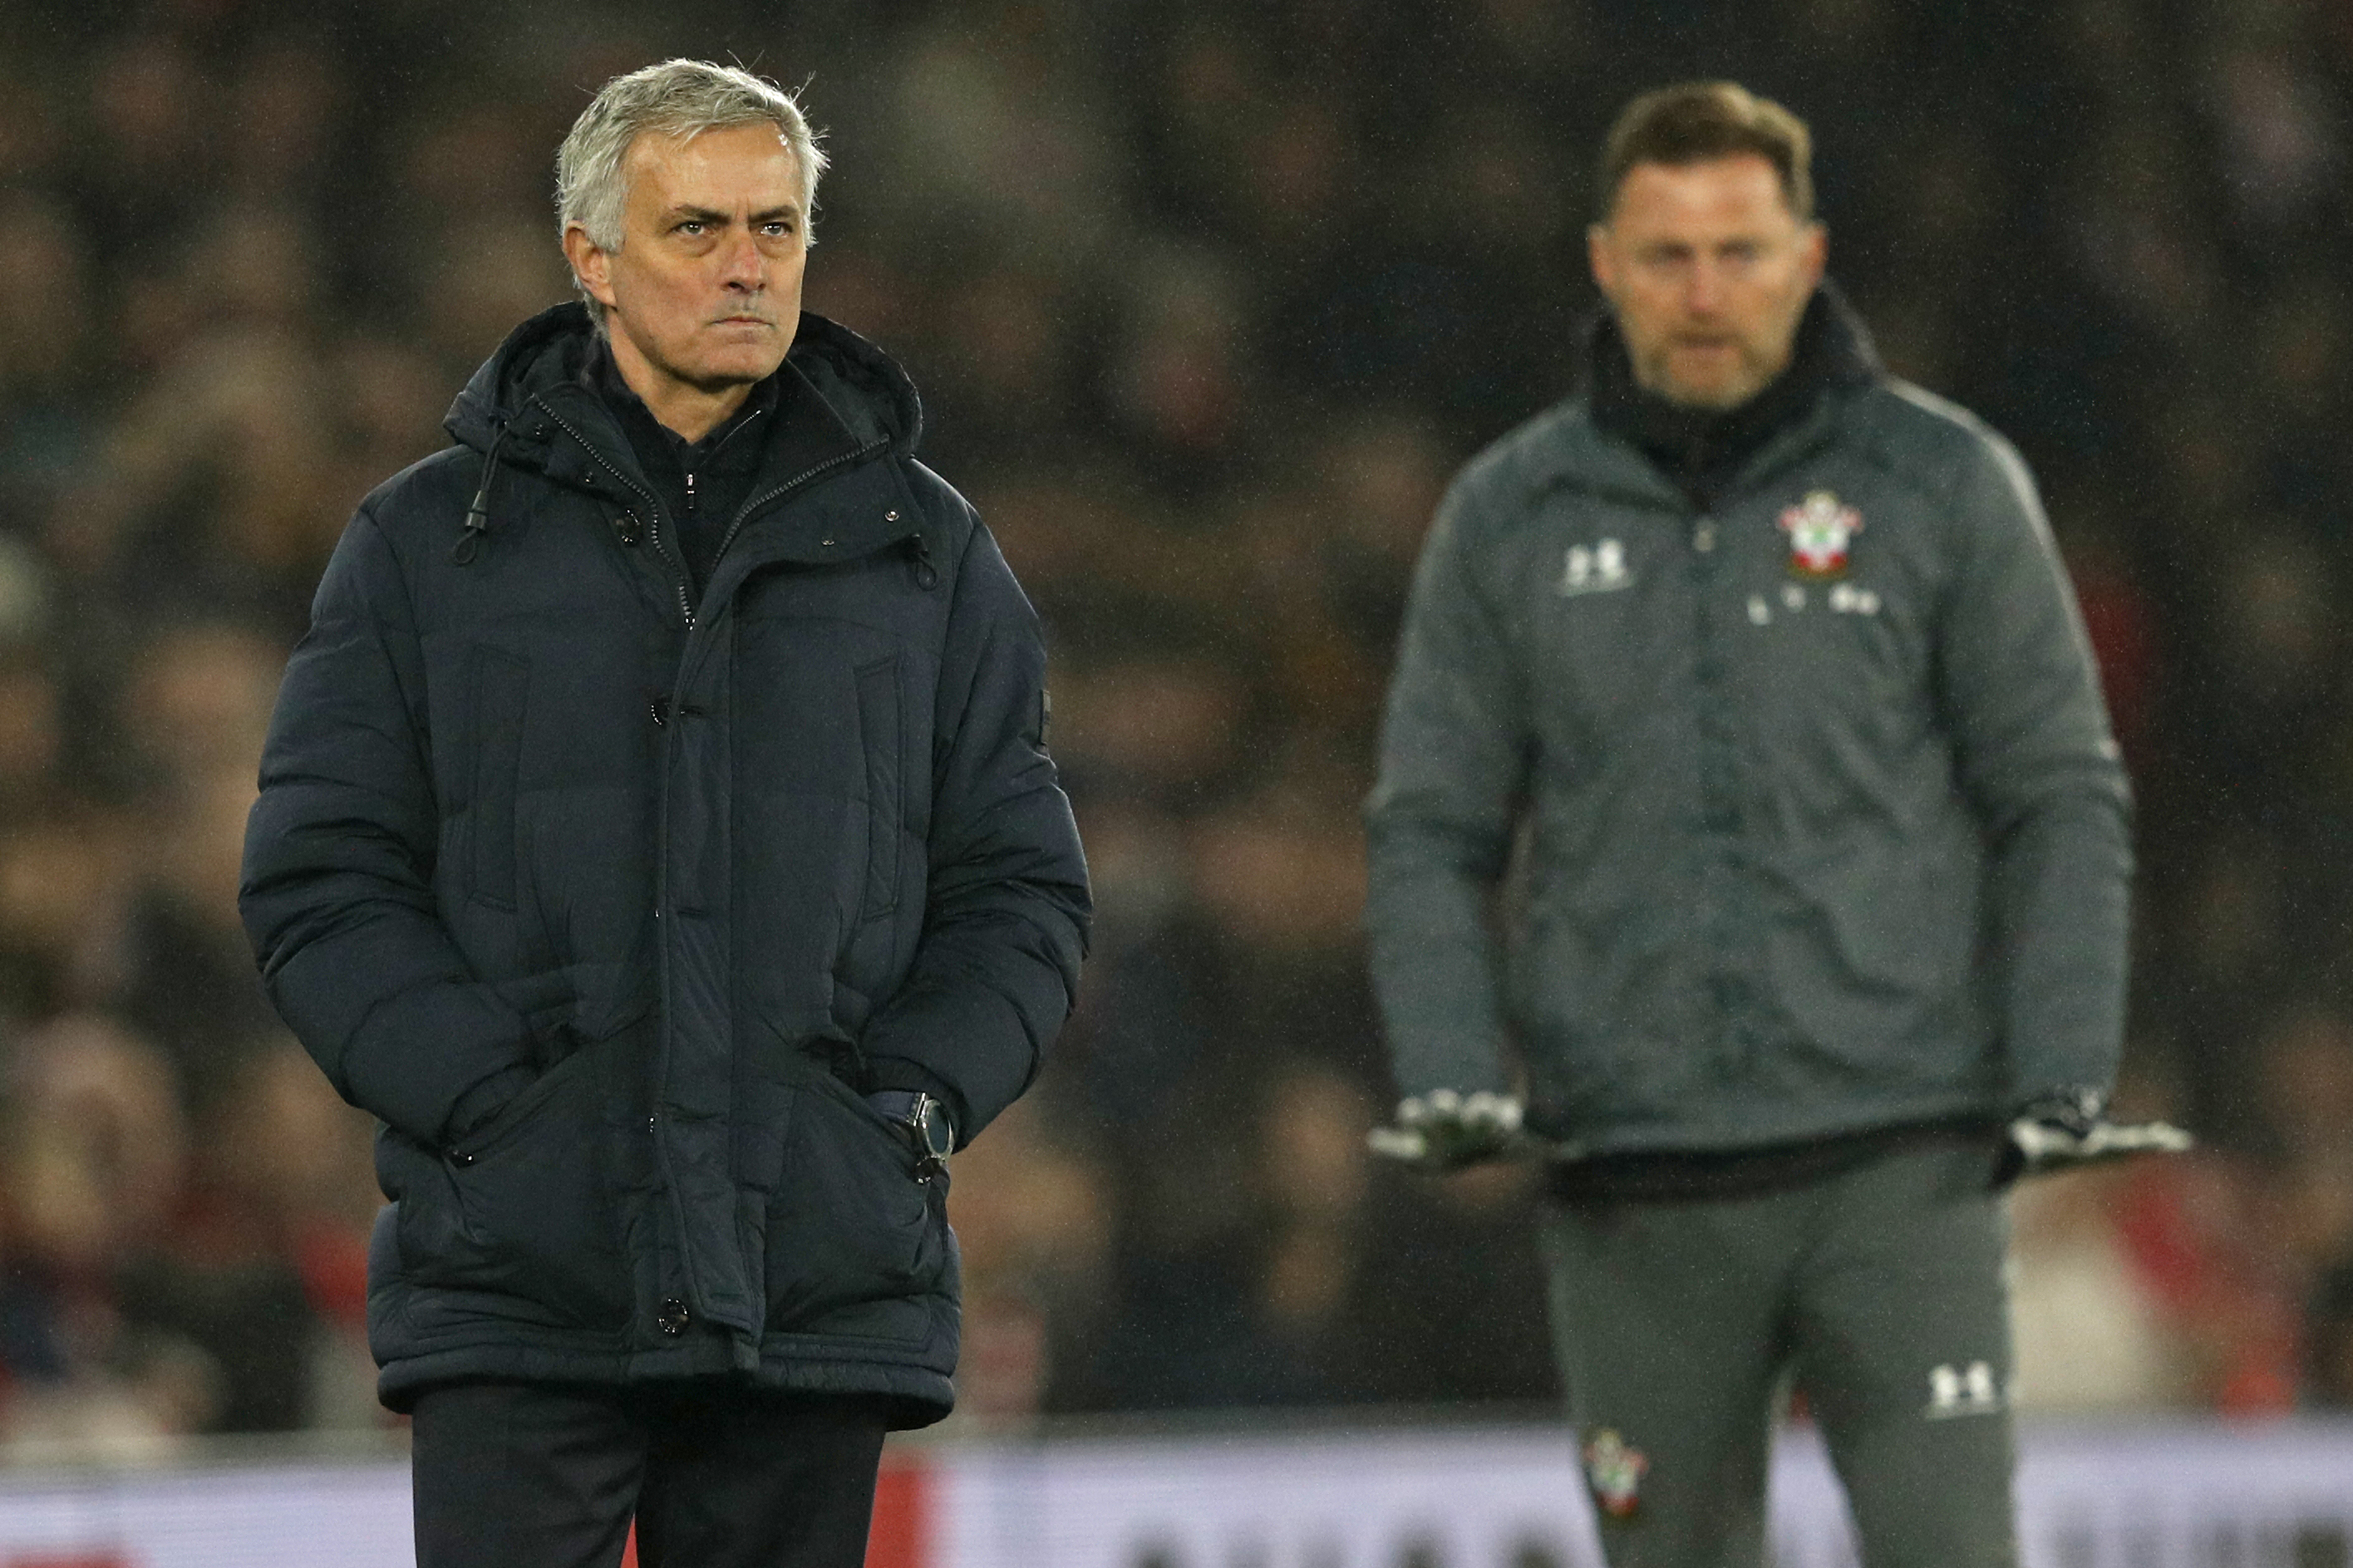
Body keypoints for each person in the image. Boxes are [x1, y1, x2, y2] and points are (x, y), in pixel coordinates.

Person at [239, 60, 1090, 1568]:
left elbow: (1021, 890)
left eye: (777, 225)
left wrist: (902, 1109)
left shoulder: (929, 554)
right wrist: (498, 1113)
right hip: (521, 1273)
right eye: (697, 228)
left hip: (811, 1273)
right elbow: (321, 880)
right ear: (590, 260)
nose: (748, 263)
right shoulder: (429, 544)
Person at [1362, 82, 2134, 1567]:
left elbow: (2059, 794)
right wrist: (1454, 1069)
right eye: (1666, 255)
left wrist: (2065, 1068)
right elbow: (1431, 826)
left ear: (1810, 255)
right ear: (1604, 263)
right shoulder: (1510, 517)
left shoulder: (1943, 487)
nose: (1704, 291)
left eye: (1740, 250)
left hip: (1901, 1168)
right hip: (1637, 1181)